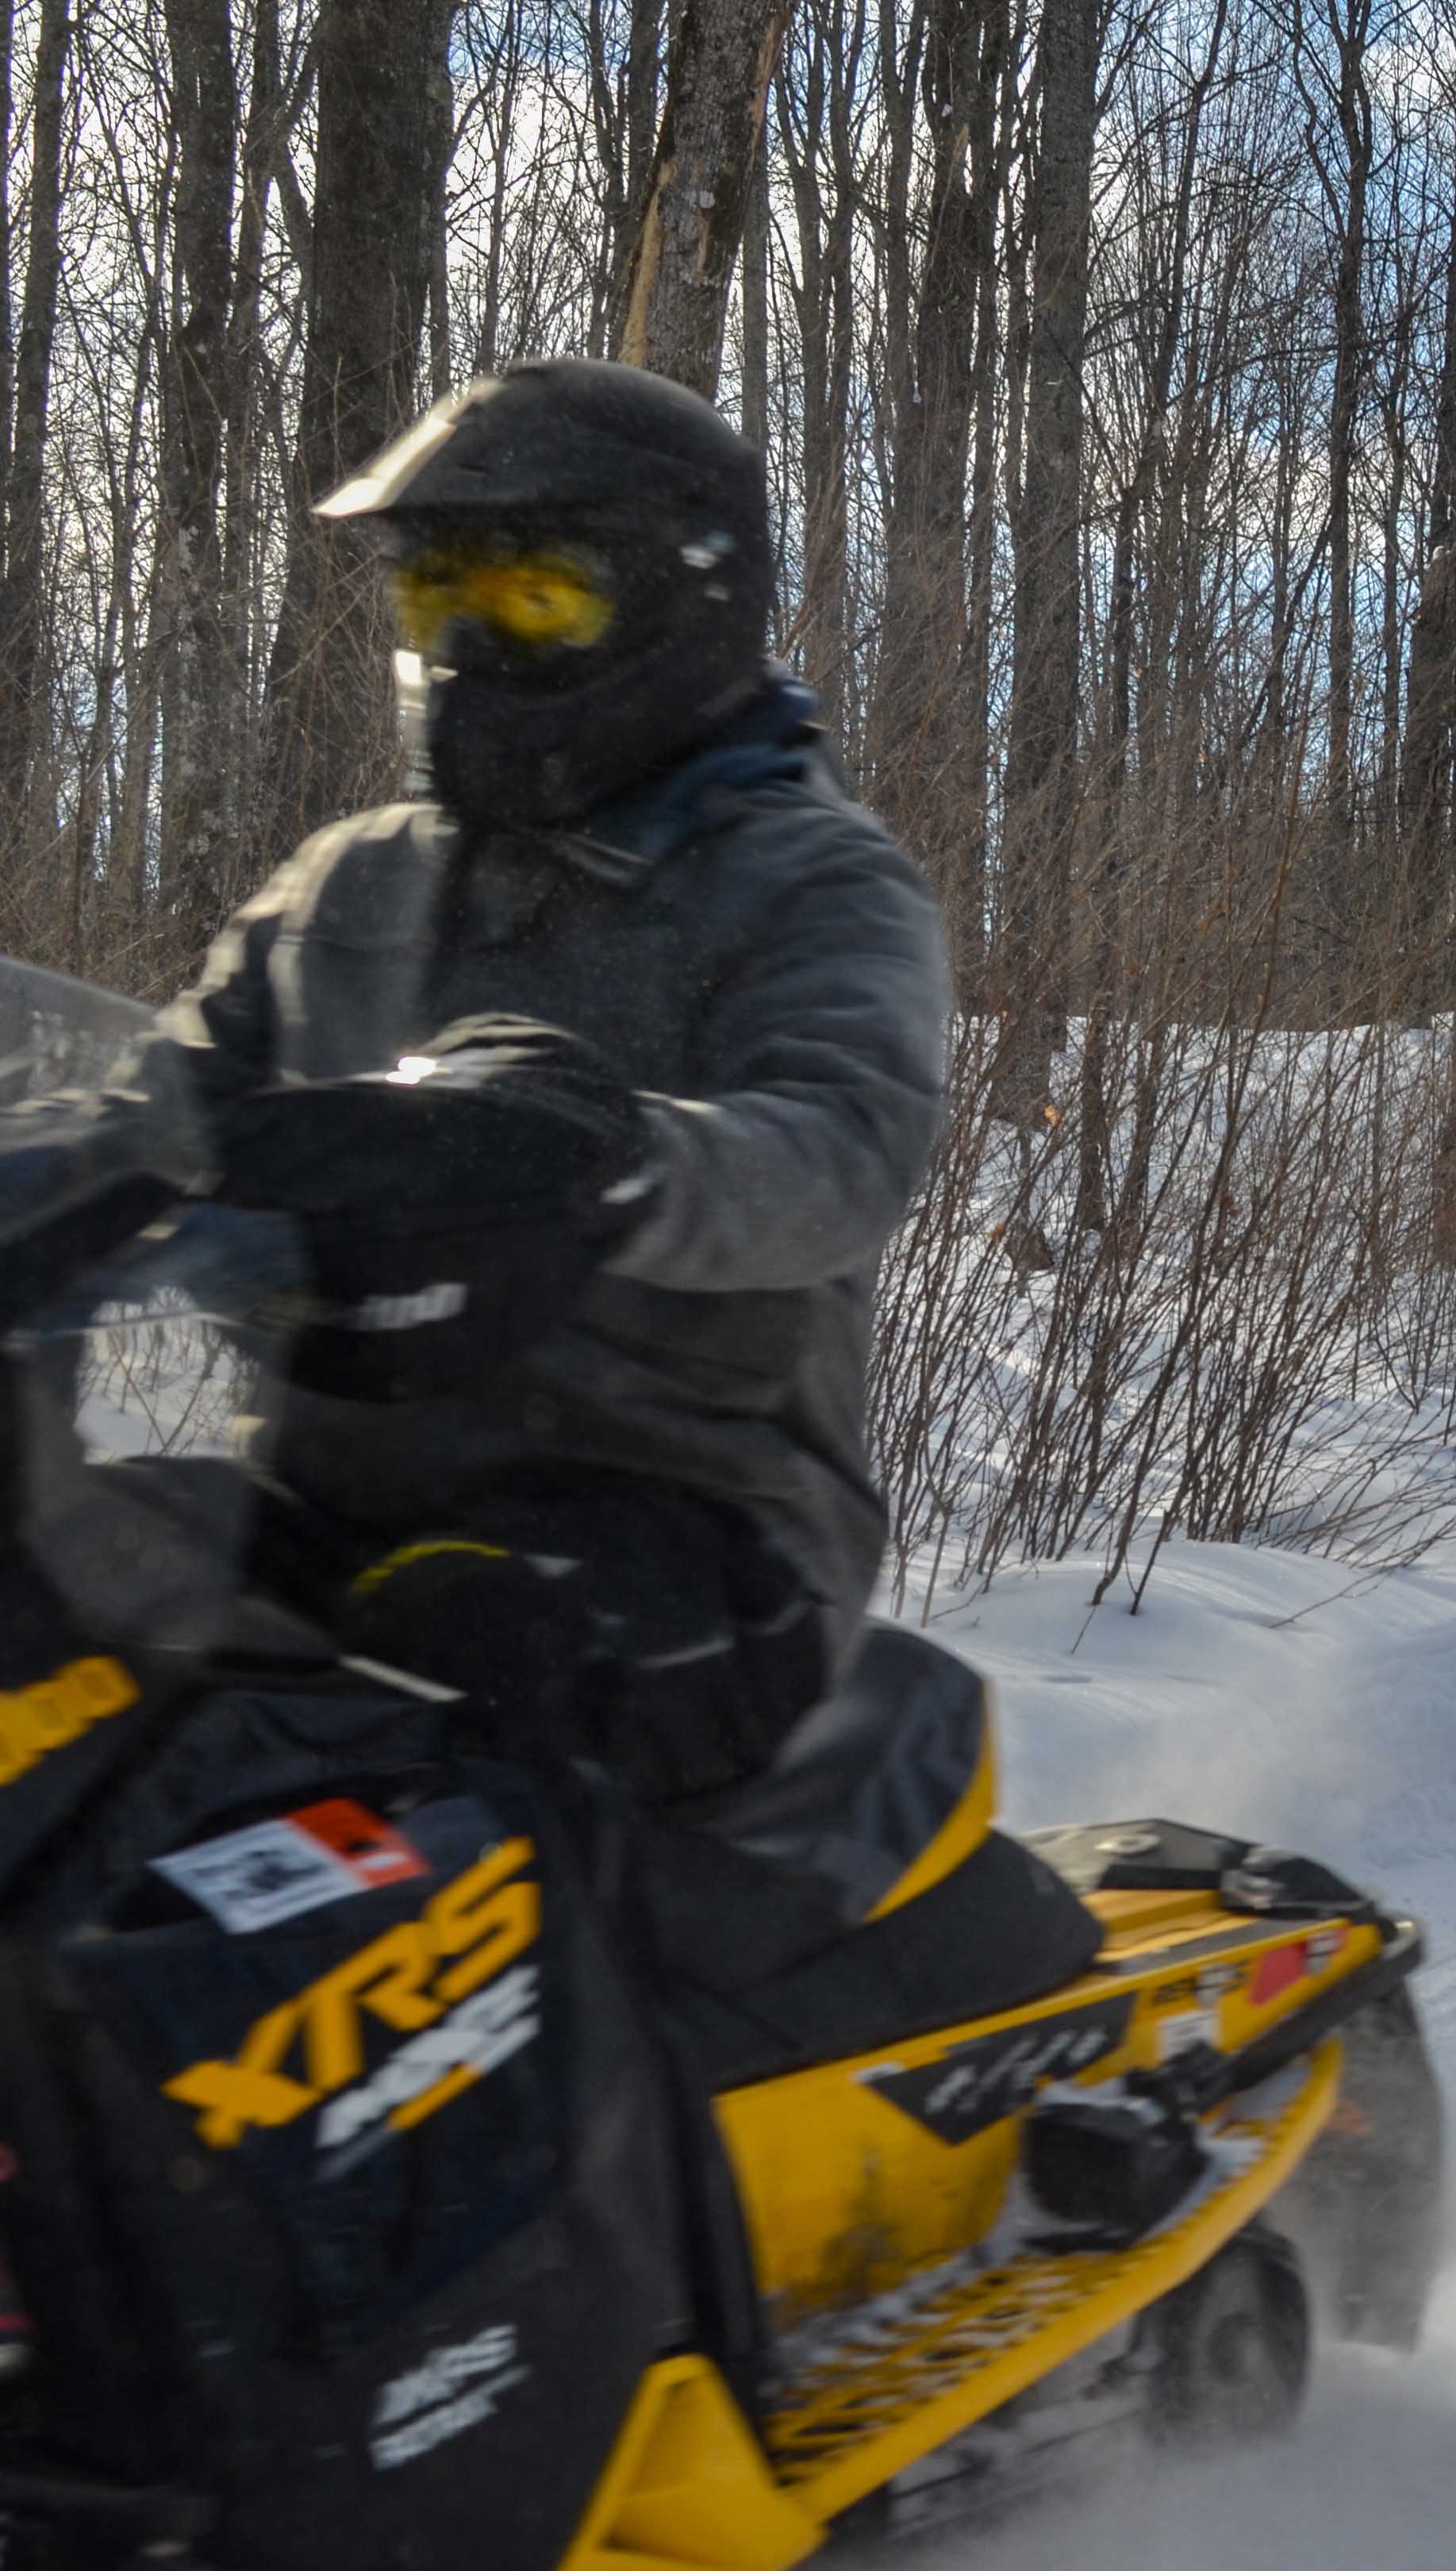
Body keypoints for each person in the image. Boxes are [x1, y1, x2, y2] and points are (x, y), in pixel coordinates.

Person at [102, 357, 948, 1806]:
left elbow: (843, 1143)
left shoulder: (808, 876)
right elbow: (154, 1103)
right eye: (440, 600)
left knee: (474, 1718)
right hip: (339, 1491)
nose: (471, 646)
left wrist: (608, 1162)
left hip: (680, 1519)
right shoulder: (348, 880)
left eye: (533, 598)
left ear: (686, 602)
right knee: (80, 1608)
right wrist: (56, 1171)